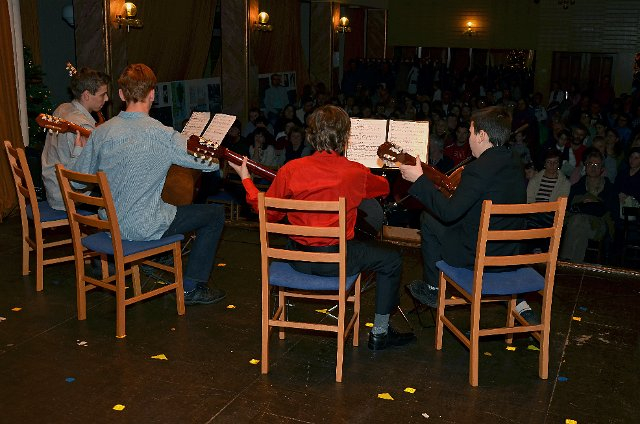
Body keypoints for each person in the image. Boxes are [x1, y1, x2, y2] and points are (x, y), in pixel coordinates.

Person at [230, 105, 415, 351]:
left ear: (311, 135)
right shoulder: (354, 172)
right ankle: (380, 332)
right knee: (392, 259)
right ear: (345, 138)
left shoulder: (290, 170)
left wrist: (246, 179)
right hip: (335, 263)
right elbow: (382, 188)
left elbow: (267, 211)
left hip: (297, 258)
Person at [71, 64, 226, 305]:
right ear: (152, 94)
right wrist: (207, 148)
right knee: (215, 214)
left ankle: (122, 262)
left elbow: (77, 182)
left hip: (110, 225)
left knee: (160, 202)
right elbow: (211, 165)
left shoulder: (102, 132)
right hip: (143, 228)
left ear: (121, 95)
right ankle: (192, 287)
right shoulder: (163, 135)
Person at [399, 106, 527, 311]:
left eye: (470, 132)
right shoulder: (515, 161)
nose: (468, 138)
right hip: (509, 254)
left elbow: (448, 214)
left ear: (482, 135)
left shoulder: (477, 170)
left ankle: (433, 289)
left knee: (429, 219)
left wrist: (420, 180)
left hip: (477, 257)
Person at [41, 67, 110, 210]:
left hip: (54, 188)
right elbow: (95, 170)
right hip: (69, 197)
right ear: (86, 95)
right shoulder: (81, 124)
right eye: (103, 95)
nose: (107, 98)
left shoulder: (63, 108)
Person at [559, 149, 617, 263]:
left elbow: (608, 211)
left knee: (578, 221)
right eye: (590, 164)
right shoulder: (577, 187)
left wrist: (585, 205)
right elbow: (569, 208)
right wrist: (591, 205)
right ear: (585, 166)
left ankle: (565, 262)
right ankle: (575, 264)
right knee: (579, 224)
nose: (593, 167)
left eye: (597, 164)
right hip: (578, 224)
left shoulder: (609, 188)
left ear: (602, 169)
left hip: (598, 226)